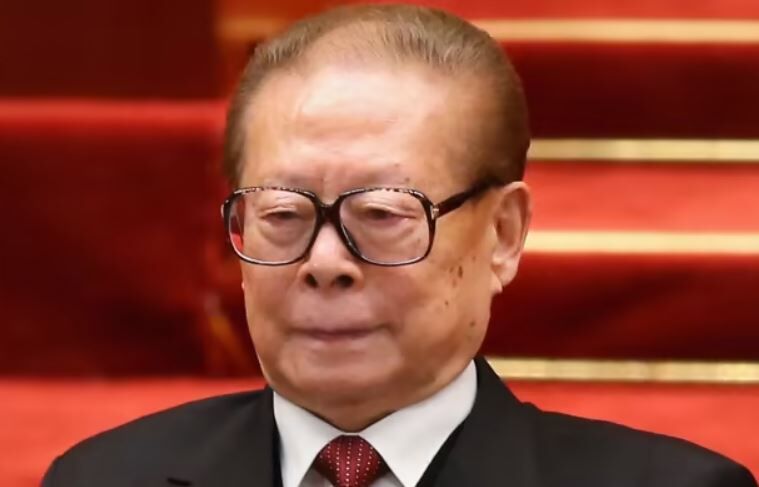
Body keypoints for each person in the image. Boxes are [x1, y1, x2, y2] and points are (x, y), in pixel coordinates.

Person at [43, 4, 757, 486]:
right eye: (284, 214)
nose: (325, 263)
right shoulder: (103, 477)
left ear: (503, 234)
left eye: (382, 214)